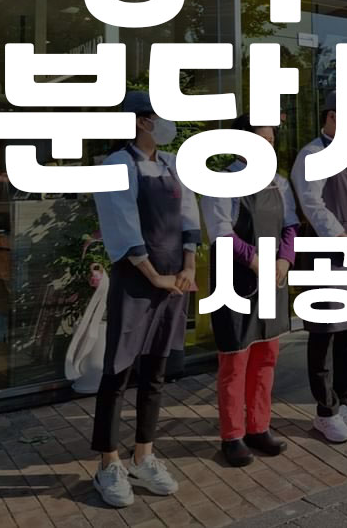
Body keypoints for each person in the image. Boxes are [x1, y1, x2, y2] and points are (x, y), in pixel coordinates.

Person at [90, 91, 198, 508]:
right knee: (118, 371)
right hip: (137, 280)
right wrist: (154, 275)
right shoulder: (116, 165)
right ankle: (108, 464)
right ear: (140, 121)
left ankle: (143, 456)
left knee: (155, 369)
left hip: (174, 279)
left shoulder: (172, 164)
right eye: (160, 115)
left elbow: (189, 215)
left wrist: (188, 266)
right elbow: (122, 225)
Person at [201, 117, 299, 467]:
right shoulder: (221, 182)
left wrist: (285, 260)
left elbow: (290, 226)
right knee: (235, 360)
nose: (268, 147)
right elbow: (220, 232)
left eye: (271, 141)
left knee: (266, 356)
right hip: (236, 281)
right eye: (261, 141)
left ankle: (259, 427)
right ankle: (232, 436)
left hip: (272, 279)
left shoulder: (279, 183)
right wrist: (256, 261)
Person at [290, 93, 347, 444]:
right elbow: (311, 203)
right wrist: (344, 237)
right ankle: (325, 411)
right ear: (332, 117)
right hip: (327, 252)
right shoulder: (312, 155)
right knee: (324, 333)